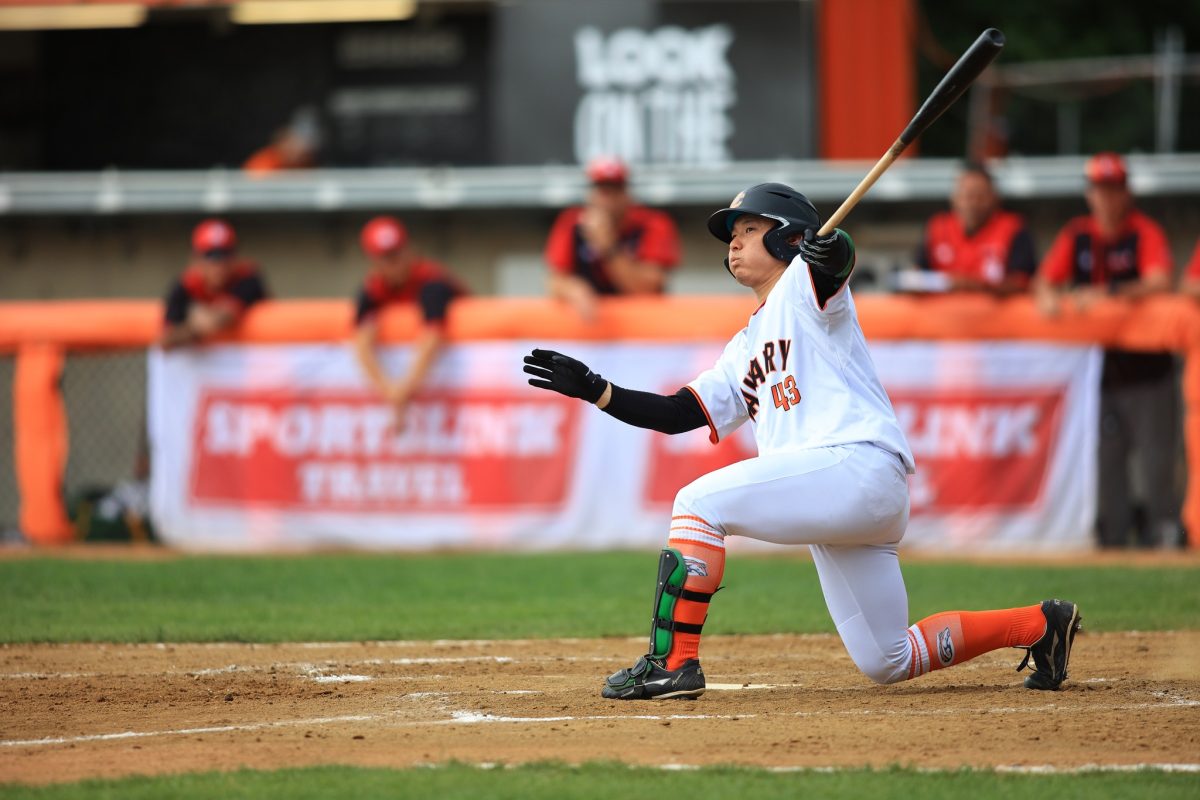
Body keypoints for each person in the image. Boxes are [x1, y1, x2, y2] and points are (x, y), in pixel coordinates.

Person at [523, 183, 1081, 700]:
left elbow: (836, 263)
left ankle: (673, 662)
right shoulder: (744, 345)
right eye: (732, 235)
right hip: (848, 497)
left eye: (746, 229)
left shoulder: (804, 286)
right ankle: (1040, 623)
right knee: (886, 658)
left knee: (694, 505)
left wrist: (833, 248)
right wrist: (598, 389)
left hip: (853, 467)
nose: (734, 242)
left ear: (786, 236)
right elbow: (675, 414)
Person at [1034, 152, 1179, 549]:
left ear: (1125, 193)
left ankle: (1164, 534)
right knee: (1106, 461)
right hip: (1099, 375)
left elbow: (1160, 281)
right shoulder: (1077, 234)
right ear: (1089, 194)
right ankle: (1113, 542)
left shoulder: (1142, 232)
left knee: (1156, 461)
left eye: (1114, 189)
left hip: (1150, 372)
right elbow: (1045, 281)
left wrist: (1107, 294)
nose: (1107, 198)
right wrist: (1048, 297)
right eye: (1100, 189)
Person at [352, 215, 466, 424]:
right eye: (386, 258)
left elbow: (432, 335)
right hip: (404, 390)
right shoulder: (374, 288)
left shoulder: (431, 281)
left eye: (397, 254)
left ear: (409, 250)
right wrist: (389, 391)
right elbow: (362, 340)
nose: (394, 264)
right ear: (374, 261)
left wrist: (403, 390)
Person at [544, 157, 680, 321]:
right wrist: (574, 289)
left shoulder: (653, 224)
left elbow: (648, 289)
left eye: (615, 191)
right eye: (602, 191)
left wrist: (609, 248)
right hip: (592, 326)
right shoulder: (572, 223)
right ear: (591, 195)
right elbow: (555, 281)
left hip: (642, 326)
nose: (608, 200)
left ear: (627, 195)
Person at [910, 162, 1036, 294]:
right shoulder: (937, 227)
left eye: (980, 196)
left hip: (993, 311)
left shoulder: (1013, 228)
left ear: (994, 198)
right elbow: (917, 277)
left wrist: (973, 285)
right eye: (967, 196)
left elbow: (1023, 282)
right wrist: (946, 283)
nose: (973, 203)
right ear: (954, 198)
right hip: (941, 311)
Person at [159, 219, 268, 350]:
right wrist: (193, 327)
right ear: (195, 259)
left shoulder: (247, 278)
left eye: (225, 254)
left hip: (257, 357)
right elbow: (165, 341)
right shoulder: (186, 286)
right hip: (211, 364)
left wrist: (194, 324)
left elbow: (221, 318)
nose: (219, 264)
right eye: (211, 255)